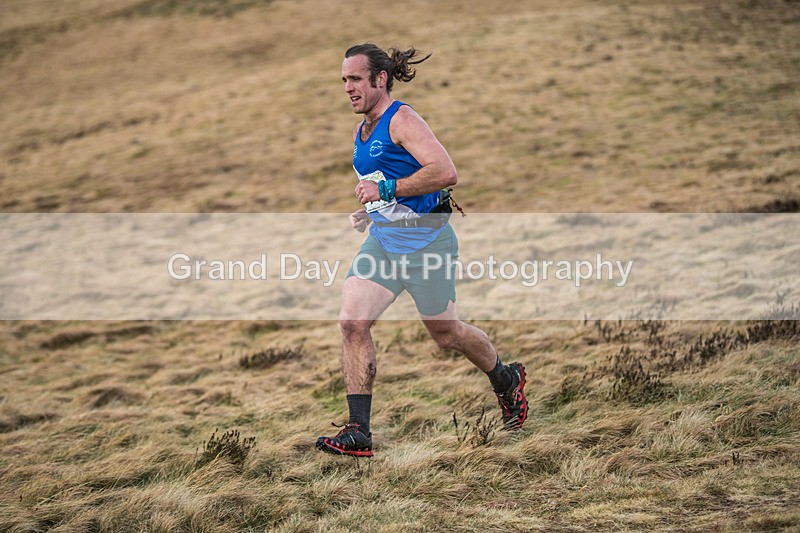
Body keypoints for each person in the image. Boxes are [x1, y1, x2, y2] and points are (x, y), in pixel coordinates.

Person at [315, 43, 528, 458]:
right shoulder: (361, 130)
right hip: (384, 243)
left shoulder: (403, 119)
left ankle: (505, 379)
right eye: (343, 80)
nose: (347, 88)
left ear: (380, 79)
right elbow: (386, 183)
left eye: (355, 79)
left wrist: (386, 190)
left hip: (427, 245)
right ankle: (359, 430)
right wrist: (373, 210)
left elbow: (445, 172)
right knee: (352, 323)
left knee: (447, 335)